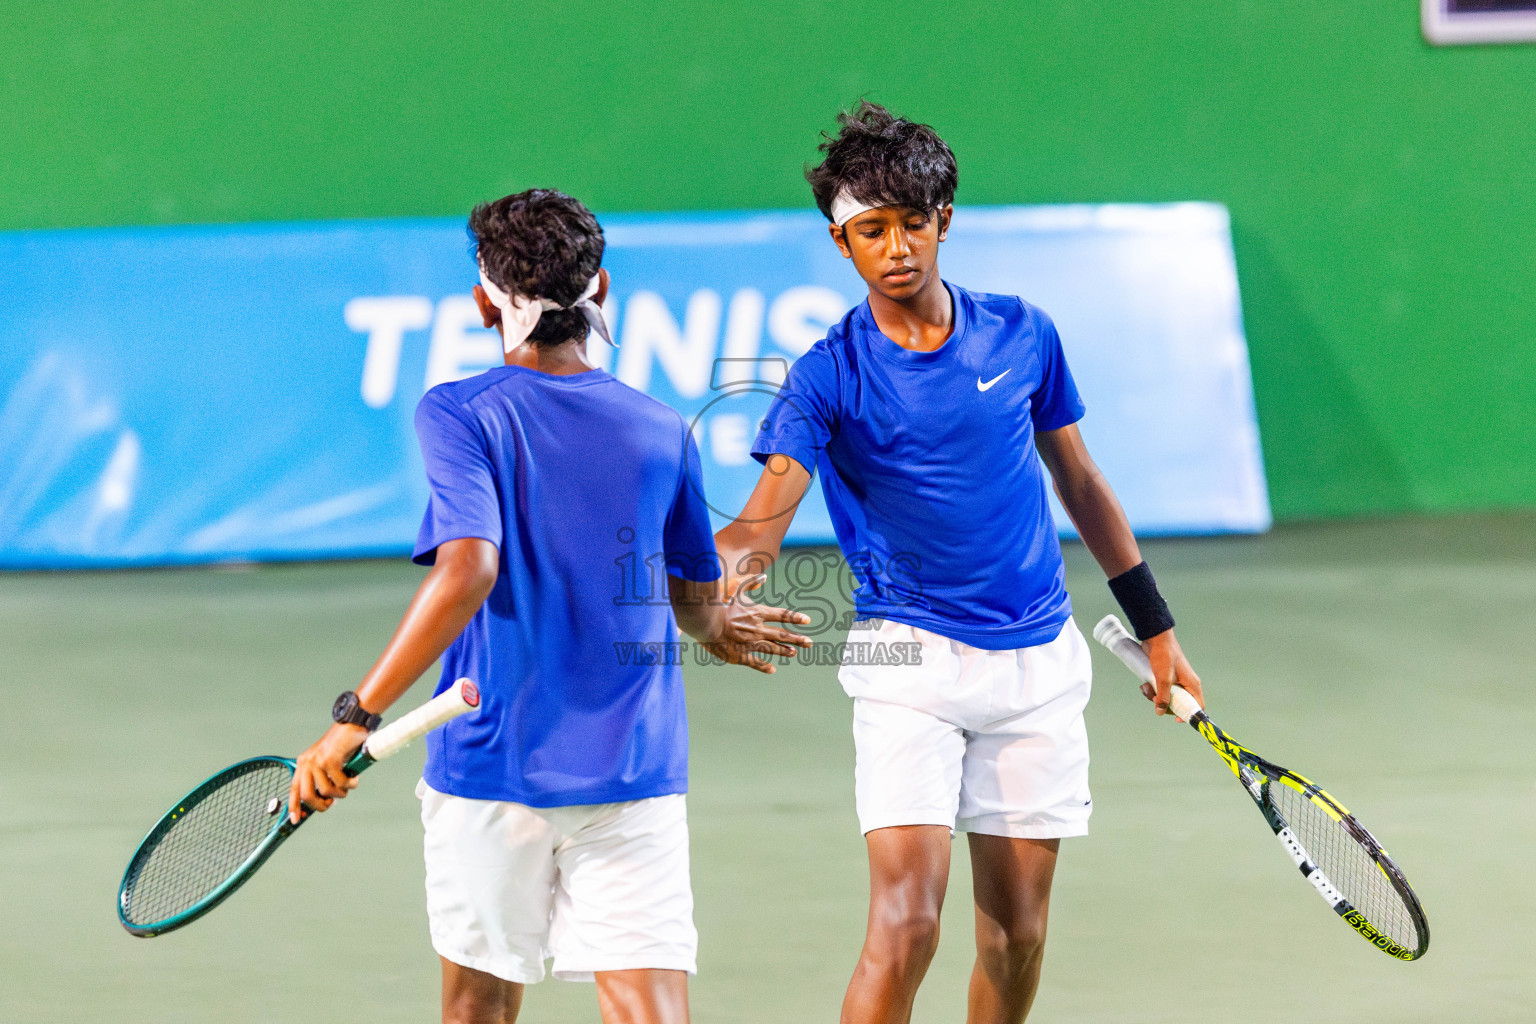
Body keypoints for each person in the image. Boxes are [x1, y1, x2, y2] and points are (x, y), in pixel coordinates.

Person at [712, 102, 1206, 1024]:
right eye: (870, 230)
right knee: (906, 926)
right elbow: (757, 527)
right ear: (841, 242)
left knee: (1015, 939)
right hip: (909, 666)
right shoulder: (826, 374)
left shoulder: (1023, 333)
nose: (895, 247)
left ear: (944, 218)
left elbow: (1081, 482)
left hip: (1037, 664)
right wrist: (703, 586)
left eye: (912, 222)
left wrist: (1157, 626)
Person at [285, 189, 811, 1024]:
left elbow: (468, 570)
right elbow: (695, 603)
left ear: (483, 302)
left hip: (492, 771)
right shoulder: (662, 428)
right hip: (633, 767)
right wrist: (720, 625)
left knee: (479, 1010)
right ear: (600, 290)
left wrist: (356, 717)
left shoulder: (457, 412)